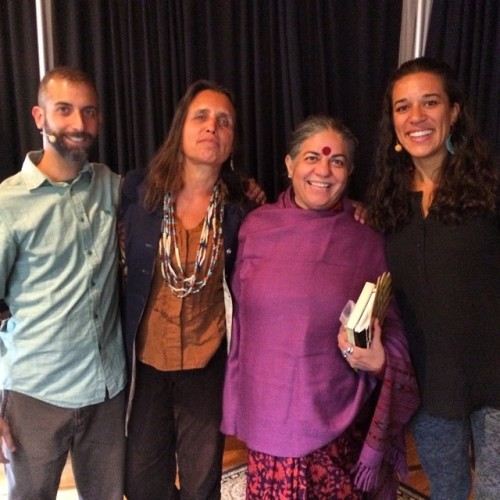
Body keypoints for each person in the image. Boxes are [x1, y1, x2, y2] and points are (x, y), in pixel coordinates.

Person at [221, 115, 420, 499]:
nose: (323, 170)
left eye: (337, 161)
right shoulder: (254, 228)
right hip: (268, 415)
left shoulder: (367, 236)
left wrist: (380, 360)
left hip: (340, 418)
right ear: (289, 164)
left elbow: (391, 325)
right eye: (312, 157)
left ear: (349, 173)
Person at [366, 56, 500, 499]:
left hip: (495, 382)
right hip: (428, 385)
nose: (416, 117)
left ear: (454, 111)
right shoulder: (386, 200)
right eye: (403, 107)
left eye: (430, 103)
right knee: (445, 491)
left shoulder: (491, 187)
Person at [121, 80, 259, 499]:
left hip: (207, 365)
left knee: (202, 485)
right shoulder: (137, 192)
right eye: (201, 117)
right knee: (141, 483)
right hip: (146, 364)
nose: (211, 127)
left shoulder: (241, 211)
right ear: (181, 126)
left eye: (224, 122)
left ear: (233, 141)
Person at [0, 67, 126, 499]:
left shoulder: (113, 188)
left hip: (106, 392)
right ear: (40, 116)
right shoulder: (7, 203)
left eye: (88, 112)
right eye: (64, 110)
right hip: (35, 395)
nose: (78, 123)